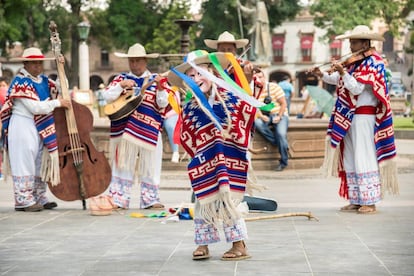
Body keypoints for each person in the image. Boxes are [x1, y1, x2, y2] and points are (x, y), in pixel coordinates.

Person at [168, 50, 258, 261]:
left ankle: (239, 244)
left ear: (213, 74)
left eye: (201, 73)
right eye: (191, 75)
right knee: (202, 199)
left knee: (228, 199)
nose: (197, 78)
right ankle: (203, 244)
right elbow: (187, 134)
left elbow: (247, 113)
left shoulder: (229, 97)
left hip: (227, 157)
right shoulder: (189, 107)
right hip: (204, 160)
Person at [308, 25, 399, 214]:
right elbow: (339, 81)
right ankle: (356, 198)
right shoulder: (354, 63)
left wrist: (342, 72)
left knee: (363, 155)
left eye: (354, 42)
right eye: (350, 42)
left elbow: (357, 88)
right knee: (349, 156)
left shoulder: (376, 62)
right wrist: (322, 75)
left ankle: (370, 200)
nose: (350, 46)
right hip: (348, 116)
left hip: (365, 116)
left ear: (365, 43)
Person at [0, 47, 71, 212]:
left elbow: (63, 88)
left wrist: (62, 69)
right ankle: (24, 200)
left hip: (40, 126)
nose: (38, 66)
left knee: (39, 162)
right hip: (22, 124)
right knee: (24, 162)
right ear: (25, 63)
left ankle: (39, 196)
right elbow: (35, 107)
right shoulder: (20, 82)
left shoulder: (44, 80)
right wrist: (57, 103)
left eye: (40, 63)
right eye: (34, 63)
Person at [102, 43, 168, 210]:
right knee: (122, 164)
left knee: (151, 165)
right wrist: (120, 86)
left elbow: (163, 103)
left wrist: (160, 88)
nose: (135, 64)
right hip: (124, 132)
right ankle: (119, 199)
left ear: (145, 61)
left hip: (150, 129)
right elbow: (107, 96)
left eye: (138, 60)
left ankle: (150, 199)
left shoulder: (156, 79)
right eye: (132, 61)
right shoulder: (120, 79)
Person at [252, 67, 289, 171]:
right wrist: (261, 116)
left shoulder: (274, 87)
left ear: (264, 77)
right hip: (265, 115)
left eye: (260, 77)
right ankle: (281, 144)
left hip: (279, 114)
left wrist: (279, 116)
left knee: (281, 134)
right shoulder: (254, 89)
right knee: (257, 123)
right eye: (256, 77)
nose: (258, 79)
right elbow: (254, 106)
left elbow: (283, 103)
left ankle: (283, 162)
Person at [163, 89, 180, 163]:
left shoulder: (173, 90)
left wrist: (166, 115)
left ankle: (175, 152)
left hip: (171, 114)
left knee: (170, 126)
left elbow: (177, 107)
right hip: (156, 114)